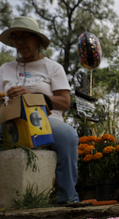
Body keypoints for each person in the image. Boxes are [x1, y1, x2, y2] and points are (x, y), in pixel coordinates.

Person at [0, 16, 79, 205]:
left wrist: (33, 95)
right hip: (9, 122)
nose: (19, 42)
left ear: (38, 40)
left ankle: (67, 198)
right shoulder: (4, 68)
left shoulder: (53, 68)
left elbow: (65, 102)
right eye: (16, 38)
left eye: (25, 37)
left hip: (42, 120)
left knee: (67, 134)